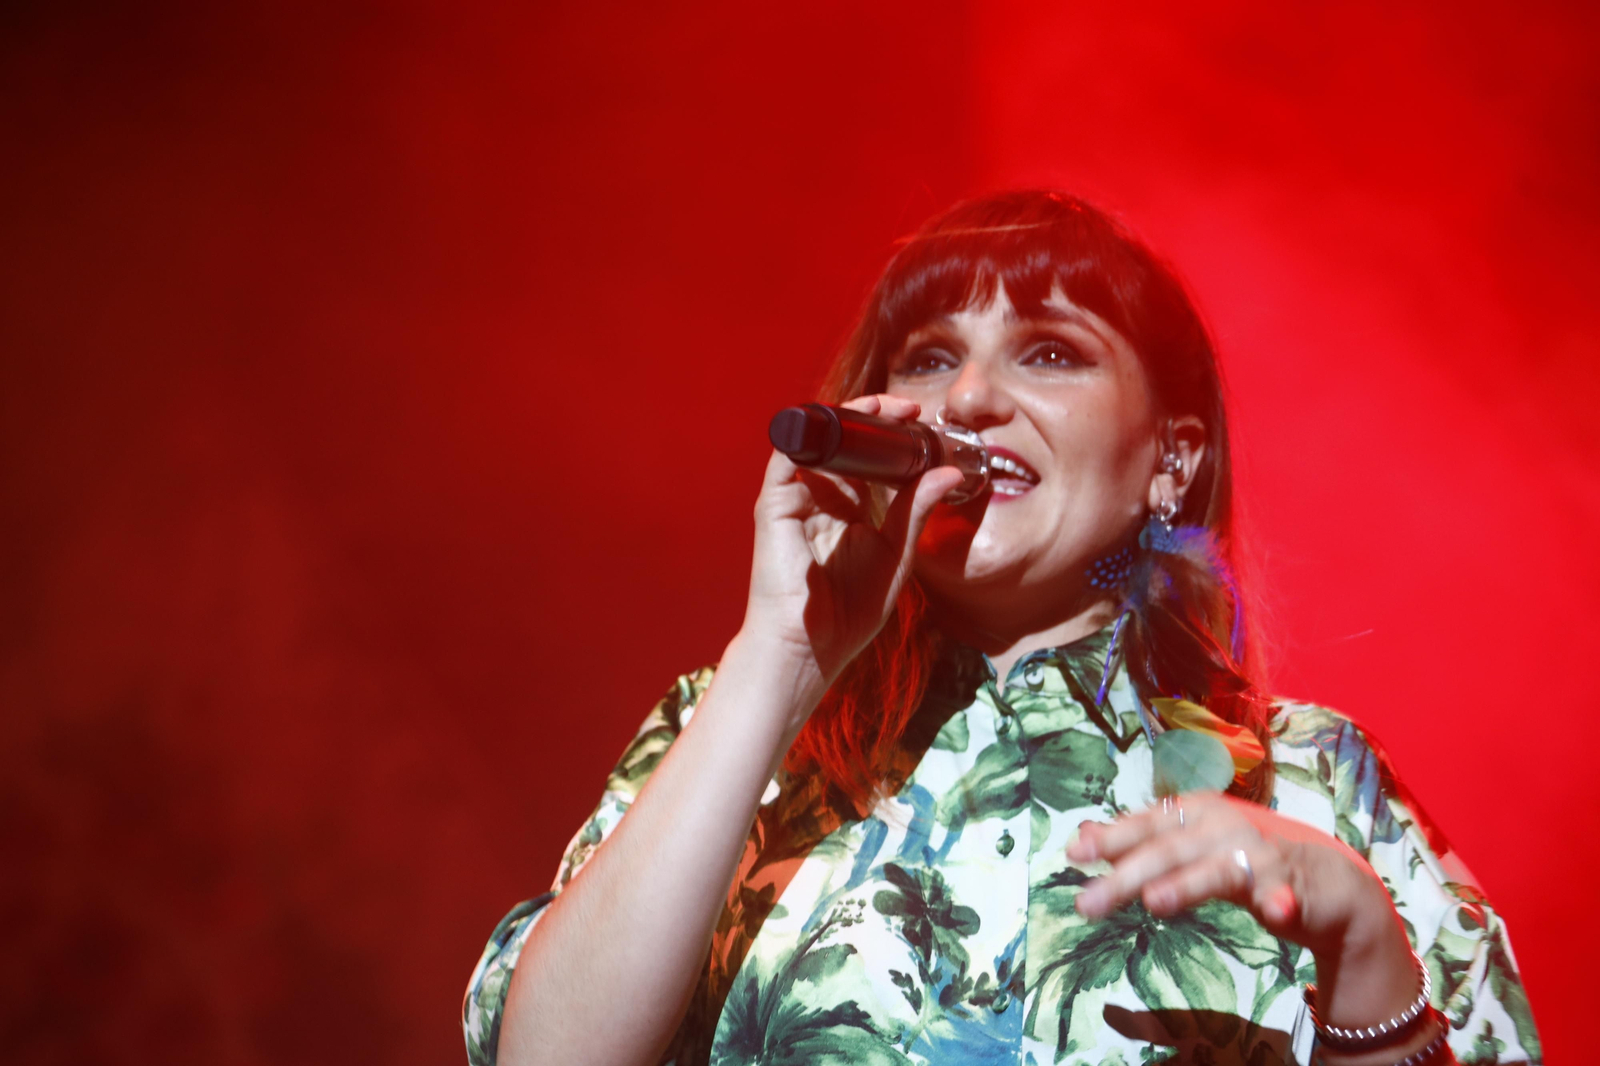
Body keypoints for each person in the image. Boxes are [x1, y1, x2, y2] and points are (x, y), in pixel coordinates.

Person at [462, 191, 1541, 1065]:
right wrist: (777, 660)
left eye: (1049, 353)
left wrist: (1363, 959)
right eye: (928, 356)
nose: (967, 398)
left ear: (1170, 459)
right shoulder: (729, 734)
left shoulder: (1315, 781)